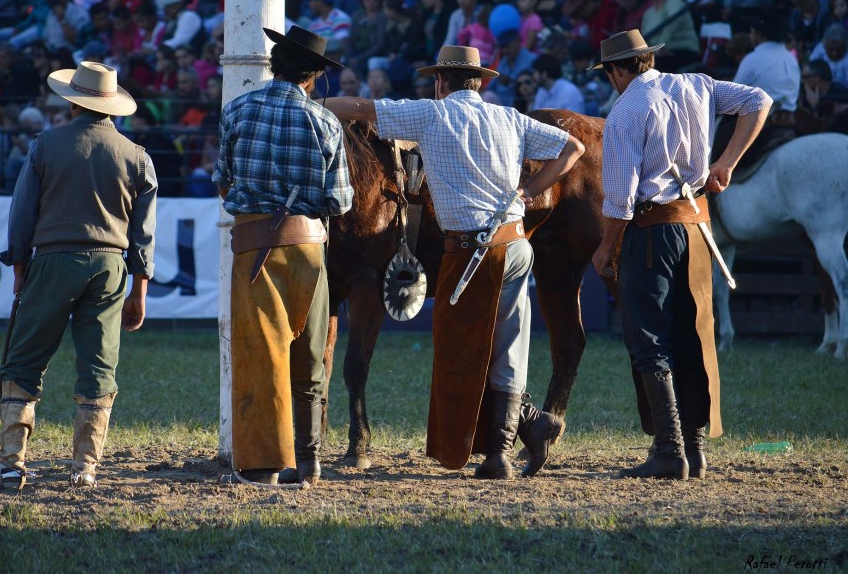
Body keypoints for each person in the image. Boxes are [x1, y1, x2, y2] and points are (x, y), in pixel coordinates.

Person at [323, 44, 586, 479]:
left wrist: (311, 100)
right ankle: (516, 436)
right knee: (508, 345)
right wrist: (529, 188)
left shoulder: (431, 114)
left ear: (440, 83)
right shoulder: (509, 117)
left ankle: (502, 448)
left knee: (462, 348)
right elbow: (574, 147)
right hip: (516, 243)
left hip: (469, 250)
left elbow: (358, 107)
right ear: (481, 83)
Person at [589, 30, 772, 480]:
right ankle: (692, 448)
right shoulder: (697, 84)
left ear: (616, 70)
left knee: (649, 338)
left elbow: (620, 198)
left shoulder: (626, 109)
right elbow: (759, 100)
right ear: (647, 58)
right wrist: (726, 162)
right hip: (696, 226)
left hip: (652, 230)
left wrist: (605, 248)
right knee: (692, 335)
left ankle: (670, 450)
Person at [0, 61, 157, 491]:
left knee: (24, 360)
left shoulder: (45, 145)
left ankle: (13, 464)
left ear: (73, 103)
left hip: (52, 261)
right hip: (110, 267)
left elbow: (21, 214)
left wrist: (20, 268)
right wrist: (139, 289)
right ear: (112, 104)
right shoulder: (137, 157)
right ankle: (84, 468)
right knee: (98, 365)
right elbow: (143, 235)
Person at [213, 26, 353, 486]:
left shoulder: (236, 110)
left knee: (259, 354)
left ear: (273, 64)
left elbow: (223, 180)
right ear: (313, 77)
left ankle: (261, 465)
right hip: (308, 250)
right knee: (311, 357)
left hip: (252, 248)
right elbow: (339, 202)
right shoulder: (326, 122)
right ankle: (309, 463)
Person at [713, 15, 799, 172]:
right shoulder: (791, 58)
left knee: (713, 148)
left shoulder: (753, 59)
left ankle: (714, 184)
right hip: (790, 123)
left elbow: (730, 97)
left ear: (760, 36)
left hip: (759, 124)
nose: (750, 36)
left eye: (752, 32)